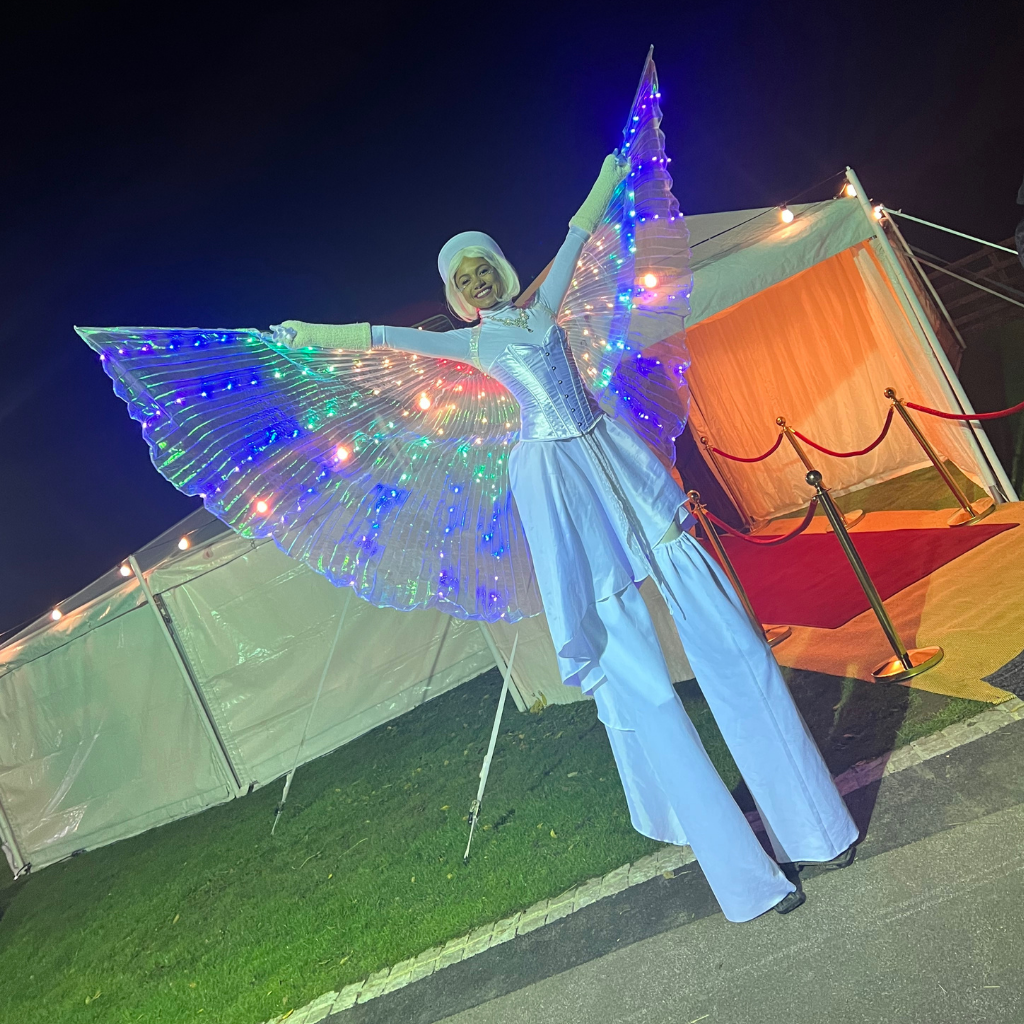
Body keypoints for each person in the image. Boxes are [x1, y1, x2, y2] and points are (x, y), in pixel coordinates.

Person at [272, 150, 859, 923]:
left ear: (501, 270)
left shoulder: (545, 310)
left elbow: (579, 234)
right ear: (455, 296)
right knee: (642, 683)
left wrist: (612, 174)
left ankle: (815, 825)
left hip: (620, 466)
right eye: (463, 279)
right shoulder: (471, 344)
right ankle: (749, 882)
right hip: (561, 491)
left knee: (737, 649)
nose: (477, 283)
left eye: (483, 268)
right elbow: (382, 337)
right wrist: (310, 333)